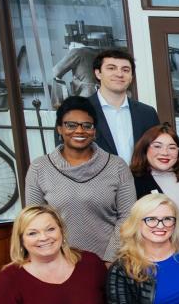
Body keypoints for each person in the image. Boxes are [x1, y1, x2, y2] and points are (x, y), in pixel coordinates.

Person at [25, 95, 136, 262]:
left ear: (94, 130)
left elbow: (128, 217)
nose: (79, 131)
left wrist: (109, 260)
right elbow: (33, 220)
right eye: (70, 125)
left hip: (109, 262)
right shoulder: (40, 168)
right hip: (58, 263)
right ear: (59, 129)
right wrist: (56, 260)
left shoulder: (117, 166)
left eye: (87, 125)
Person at [86, 48, 160, 164]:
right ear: (98, 73)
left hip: (140, 181)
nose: (119, 74)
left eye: (125, 70)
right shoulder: (80, 111)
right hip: (95, 181)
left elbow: (156, 151)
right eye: (111, 68)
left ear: (131, 76)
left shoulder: (147, 113)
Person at [130, 124, 179, 239]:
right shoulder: (133, 181)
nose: (165, 153)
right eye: (157, 146)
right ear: (145, 148)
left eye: (172, 147)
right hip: (158, 245)